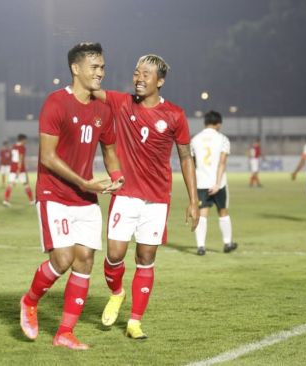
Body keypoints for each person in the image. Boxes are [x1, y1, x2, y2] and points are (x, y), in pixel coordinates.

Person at [19, 42, 123, 350]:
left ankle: (65, 333)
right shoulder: (56, 103)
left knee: (85, 260)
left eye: (103, 67)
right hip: (54, 192)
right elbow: (48, 157)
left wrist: (118, 179)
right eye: (94, 67)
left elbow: (110, 151)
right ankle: (29, 301)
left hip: (84, 197)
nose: (100, 73)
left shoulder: (103, 108)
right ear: (75, 69)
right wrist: (86, 183)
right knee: (62, 258)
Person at [92, 54, 199, 339]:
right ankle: (117, 293)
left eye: (146, 74)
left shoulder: (175, 115)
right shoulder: (121, 102)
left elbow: (186, 157)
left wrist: (193, 200)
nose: (139, 78)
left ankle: (134, 322)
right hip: (126, 194)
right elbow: (91, 89)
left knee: (145, 256)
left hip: (157, 199)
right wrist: (87, 69)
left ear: (160, 81)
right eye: (136, 73)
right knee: (114, 254)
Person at [191, 111, 238, 256]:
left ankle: (200, 246)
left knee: (202, 214)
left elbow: (193, 165)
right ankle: (227, 243)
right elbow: (222, 164)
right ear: (218, 124)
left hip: (201, 183)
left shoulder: (195, 139)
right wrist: (217, 184)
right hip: (219, 184)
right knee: (223, 212)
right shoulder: (222, 139)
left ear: (205, 122)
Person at [3, 134, 35, 206]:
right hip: (19, 169)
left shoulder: (14, 146)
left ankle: (6, 200)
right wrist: (19, 168)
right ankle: (32, 201)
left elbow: (13, 157)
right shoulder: (22, 147)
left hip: (13, 168)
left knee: (10, 184)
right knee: (26, 184)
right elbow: (20, 158)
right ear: (22, 140)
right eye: (25, 140)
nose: (26, 141)